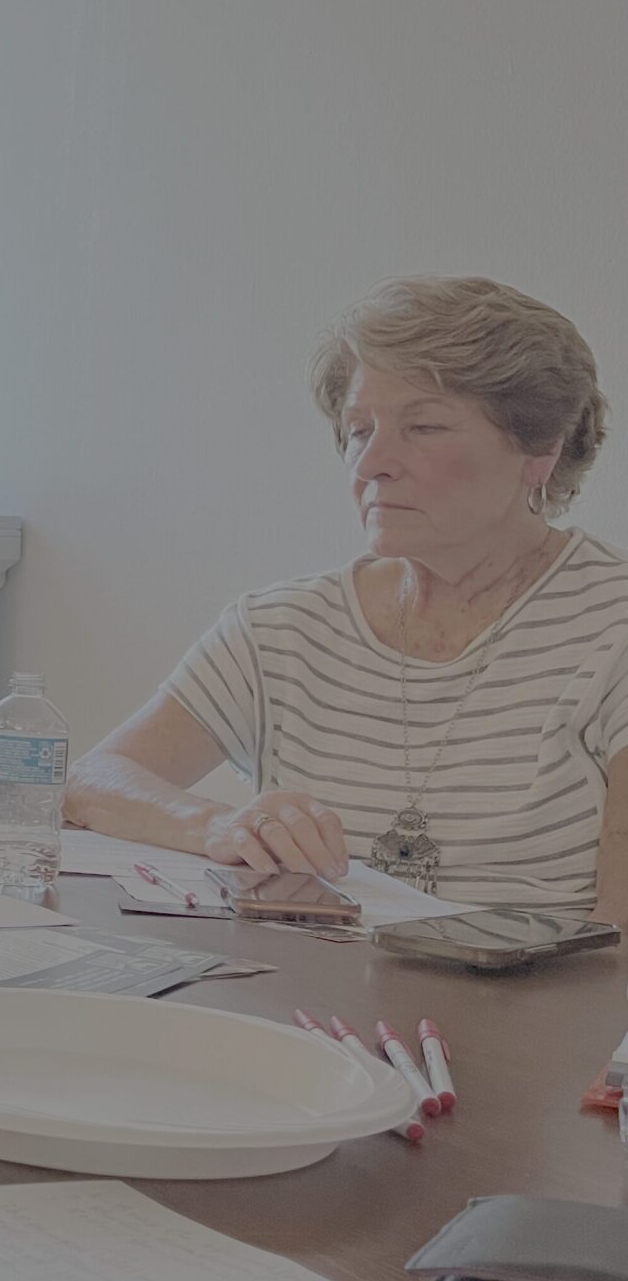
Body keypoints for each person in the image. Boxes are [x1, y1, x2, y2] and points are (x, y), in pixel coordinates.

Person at [68, 276, 628, 916]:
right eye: (360, 430)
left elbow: (621, 966)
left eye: (422, 426)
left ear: (541, 450)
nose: (371, 464)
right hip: (299, 1005)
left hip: (527, 1011)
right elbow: (90, 782)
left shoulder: (612, 626)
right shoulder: (282, 628)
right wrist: (214, 825)